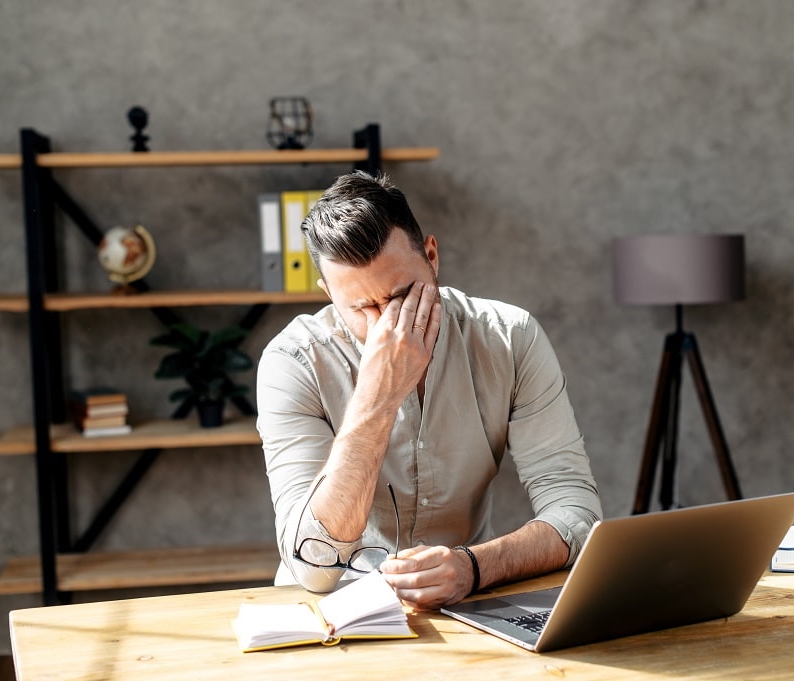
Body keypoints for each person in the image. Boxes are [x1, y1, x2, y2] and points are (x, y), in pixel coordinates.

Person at [257, 170, 602, 611]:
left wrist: (474, 567)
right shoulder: (292, 362)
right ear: (329, 295)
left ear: (432, 258)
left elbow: (576, 511)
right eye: (362, 307)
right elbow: (314, 567)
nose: (390, 325)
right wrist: (378, 395)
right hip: (332, 612)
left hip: (465, 600)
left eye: (402, 296)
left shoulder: (511, 338)